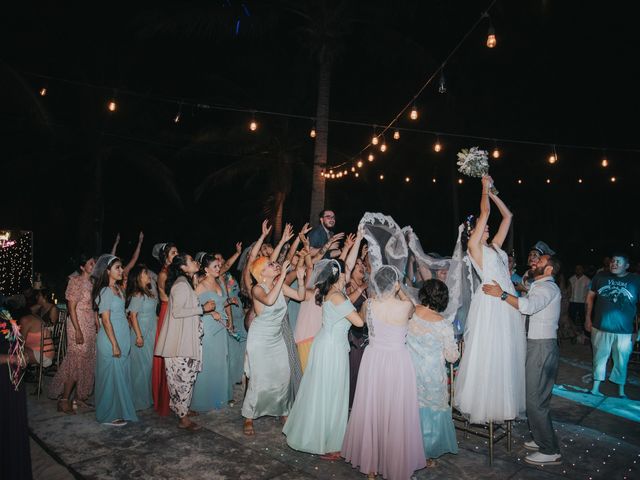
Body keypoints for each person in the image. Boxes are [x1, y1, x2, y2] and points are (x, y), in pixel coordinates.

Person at [454, 175, 526, 425]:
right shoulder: (475, 246)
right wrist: (483, 188)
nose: (487, 225)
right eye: (482, 225)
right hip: (490, 305)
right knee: (490, 353)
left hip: (506, 304)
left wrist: (494, 192)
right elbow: (484, 212)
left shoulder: (495, 246)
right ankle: (484, 405)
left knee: (505, 354)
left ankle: (503, 406)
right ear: (472, 232)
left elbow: (507, 217)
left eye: (486, 225)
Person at [342, 265, 425, 480]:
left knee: (373, 408)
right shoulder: (406, 305)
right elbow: (414, 309)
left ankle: (371, 467)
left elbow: (361, 324)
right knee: (395, 410)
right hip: (398, 360)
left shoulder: (369, 304)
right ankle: (394, 462)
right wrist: (400, 289)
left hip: (374, 359)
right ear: (395, 284)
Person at [483, 254, 563, 466]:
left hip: (541, 347)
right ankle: (542, 439)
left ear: (549, 269)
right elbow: (526, 300)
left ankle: (550, 450)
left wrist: (502, 295)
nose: (534, 262)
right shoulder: (539, 286)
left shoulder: (547, 288)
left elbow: (528, 307)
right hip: (538, 345)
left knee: (535, 401)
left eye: (540, 261)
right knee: (537, 399)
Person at [283, 259, 363, 458]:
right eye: (346, 272)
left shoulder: (333, 293)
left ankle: (323, 436)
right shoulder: (337, 296)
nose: (348, 275)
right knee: (331, 392)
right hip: (331, 349)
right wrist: (366, 306)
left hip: (327, 344)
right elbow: (359, 322)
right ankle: (328, 442)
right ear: (339, 275)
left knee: (321, 390)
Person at [241, 255, 306, 436]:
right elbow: (269, 300)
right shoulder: (257, 289)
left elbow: (300, 296)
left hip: (277, 338)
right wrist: (284, 273)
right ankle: (249, 416)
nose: (275, 265)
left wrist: (300, 279)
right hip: (260, 338)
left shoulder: (279, 285)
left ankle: (283, 410)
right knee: (259, 378)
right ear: (262, 272)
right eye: (271, 264)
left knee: (283, 374)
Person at [154, 253, 216, 430]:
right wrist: (203, 308)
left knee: (186, 378)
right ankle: (183, 418)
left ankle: (183, 410)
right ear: (183, 267)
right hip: (180, 342)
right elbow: (178, 312)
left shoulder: (184, 283)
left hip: (185, 339)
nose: (196, 262)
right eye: (191, 261)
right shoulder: (181, 285)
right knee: (182, 379)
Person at [407, 279, 460, 466]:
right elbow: (452, 357)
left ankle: (407, 448)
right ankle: (425, 454)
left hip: (410, 370)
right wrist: (459, 349)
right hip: (432, 374)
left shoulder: (411, 312)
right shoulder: (443, 324)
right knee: (431, 412)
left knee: (410, 409)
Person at [92, 254, 138, 426]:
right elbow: (105, 320)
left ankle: (118, 410)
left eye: (121, 267)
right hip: (111, 339)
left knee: (120, 376)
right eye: (117, 267)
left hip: (122, 336)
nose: (121, 270)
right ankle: (106, 416)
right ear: (108, 271)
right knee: (110, 378)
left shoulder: (118, 289)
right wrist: (115, 344)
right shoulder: (104, 290)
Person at [585, 253, 640, 398]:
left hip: (624, 331)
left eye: (618, 262)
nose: (614, 264)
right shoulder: (600, 276)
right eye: (612, 261)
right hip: (600, 327)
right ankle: (596, 388)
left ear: (627, 265)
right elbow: (590, 297)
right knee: (599, 359)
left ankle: (621, 390)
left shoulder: (636, 280)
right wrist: (587, 318)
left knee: (622, 360)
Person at [50, 255, 97, 412]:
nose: (94, 265)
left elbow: (93, 307)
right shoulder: (75, 281)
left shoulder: (93, 283)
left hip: (89, 324)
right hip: (78, 324)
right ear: (83, 267)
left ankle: (78, 398)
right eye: (91, 263)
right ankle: (64, 400)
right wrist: (77, 329)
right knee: (75, 362)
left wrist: (96, 324)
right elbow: (71, 308)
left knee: (86, 362)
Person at [191, 254, 233, 411]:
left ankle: (219, 397)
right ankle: (205, 398)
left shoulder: (219, 282)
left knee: (221, 360)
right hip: (209, 326)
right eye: (215, 266)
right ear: (206, 270)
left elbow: (221, 303)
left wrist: (229, 307)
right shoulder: (200, 286)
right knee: (209, 360)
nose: (219, 268)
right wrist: (209, 313)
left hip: (221, 325)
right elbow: (192, 308)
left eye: (219, 265)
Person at [0, 307, 32, 480]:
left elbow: (15, 341)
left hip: (11, 381)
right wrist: (9, 359)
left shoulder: (4, 312)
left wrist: (24, 354)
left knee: (13, 431)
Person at [126, 264, 158, 411]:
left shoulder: (148, 292)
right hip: (141, 333)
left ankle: (146, 397)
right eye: (145, 273)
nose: (149, 275)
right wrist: (139, 336)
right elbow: (132, 315)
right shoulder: (138, 294)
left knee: (148, 366)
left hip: (150, 331)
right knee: (141, 368)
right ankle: (138, 401)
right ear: (139, 277)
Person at [151, 242, 178, 416]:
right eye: (174, 252)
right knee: (168, 354)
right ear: (166, 256)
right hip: (168, 312)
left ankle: (178, 399)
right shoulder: (163, 274)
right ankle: (164, 399)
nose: (177, 254)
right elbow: (166, 297)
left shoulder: (175, 273)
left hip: (176, 310)